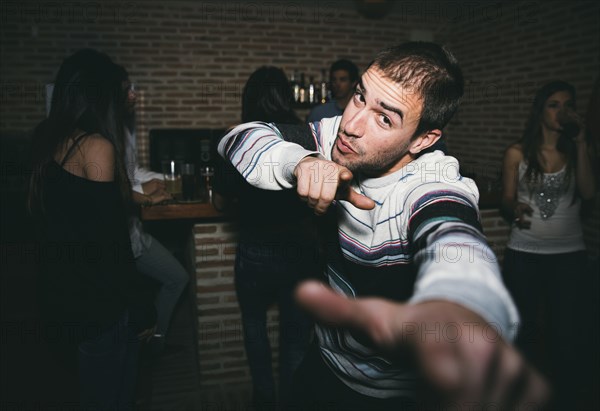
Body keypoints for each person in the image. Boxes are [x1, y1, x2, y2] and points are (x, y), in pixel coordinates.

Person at [218, 42, 549, 410]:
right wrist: (299, 162)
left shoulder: (430, 184)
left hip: (393, 393)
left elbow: (453, 236)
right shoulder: (333, 140)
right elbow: (237, 139)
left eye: (385, 118)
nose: (352, 124)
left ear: (423, 139)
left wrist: (464, 308)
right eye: (360, 96)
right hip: (327, 361)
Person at [28, 49, 156, 410]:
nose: (125, 99)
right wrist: (143, 308)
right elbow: (110, 244)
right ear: (101, 95)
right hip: (99, 306)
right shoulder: (95, 146)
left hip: (60, 296)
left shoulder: (45, 138)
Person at [213, 66, 318, 409]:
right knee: (296, 333)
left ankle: (263, 397)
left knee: (254, 325)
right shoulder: (306, 135)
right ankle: (290, 401)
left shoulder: (241, 136)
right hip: (300, 249)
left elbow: (220, 201)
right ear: (287, 96)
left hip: (256, 248)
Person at [501, 80, 595, 409]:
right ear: (540, 110)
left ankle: (565, 398)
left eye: (567, 104)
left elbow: (587, 193)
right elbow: (508, 198)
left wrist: (582, 144)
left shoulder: (576, 150)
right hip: (524, 253)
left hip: (569, 256)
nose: (562, 111)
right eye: (554, 104)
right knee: (523, 327)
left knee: (565, 332)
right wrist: (515, 209)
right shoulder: (517, 152)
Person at [115, 64, 189, 355]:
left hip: (135, 234)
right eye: (128, 89)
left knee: (177, 277)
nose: (134, 94)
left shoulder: (122, 128)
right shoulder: (105, 132)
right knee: (123, 307)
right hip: (119, 241)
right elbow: (114, 188)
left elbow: (131, 173)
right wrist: (144, 197)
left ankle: (152, 342)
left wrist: (168, 180)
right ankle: (142, 345)